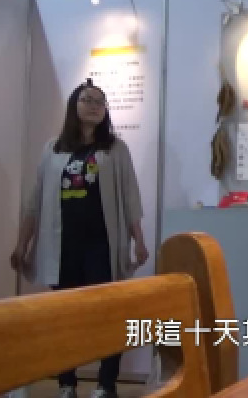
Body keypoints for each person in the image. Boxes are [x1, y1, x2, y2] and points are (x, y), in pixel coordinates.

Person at [11, 79, 148, 398]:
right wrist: (22, 244)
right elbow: (35, 201)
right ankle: (67, 383)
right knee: (64, 317)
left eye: (100, 101)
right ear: (74, 105)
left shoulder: (114, 148)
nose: (94, 106)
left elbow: (131, 197)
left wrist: (138, 240)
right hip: (62, 246)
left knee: (107, 313)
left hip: (101, 244)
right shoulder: (53, 148)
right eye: (87, 99)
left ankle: (105, 384)